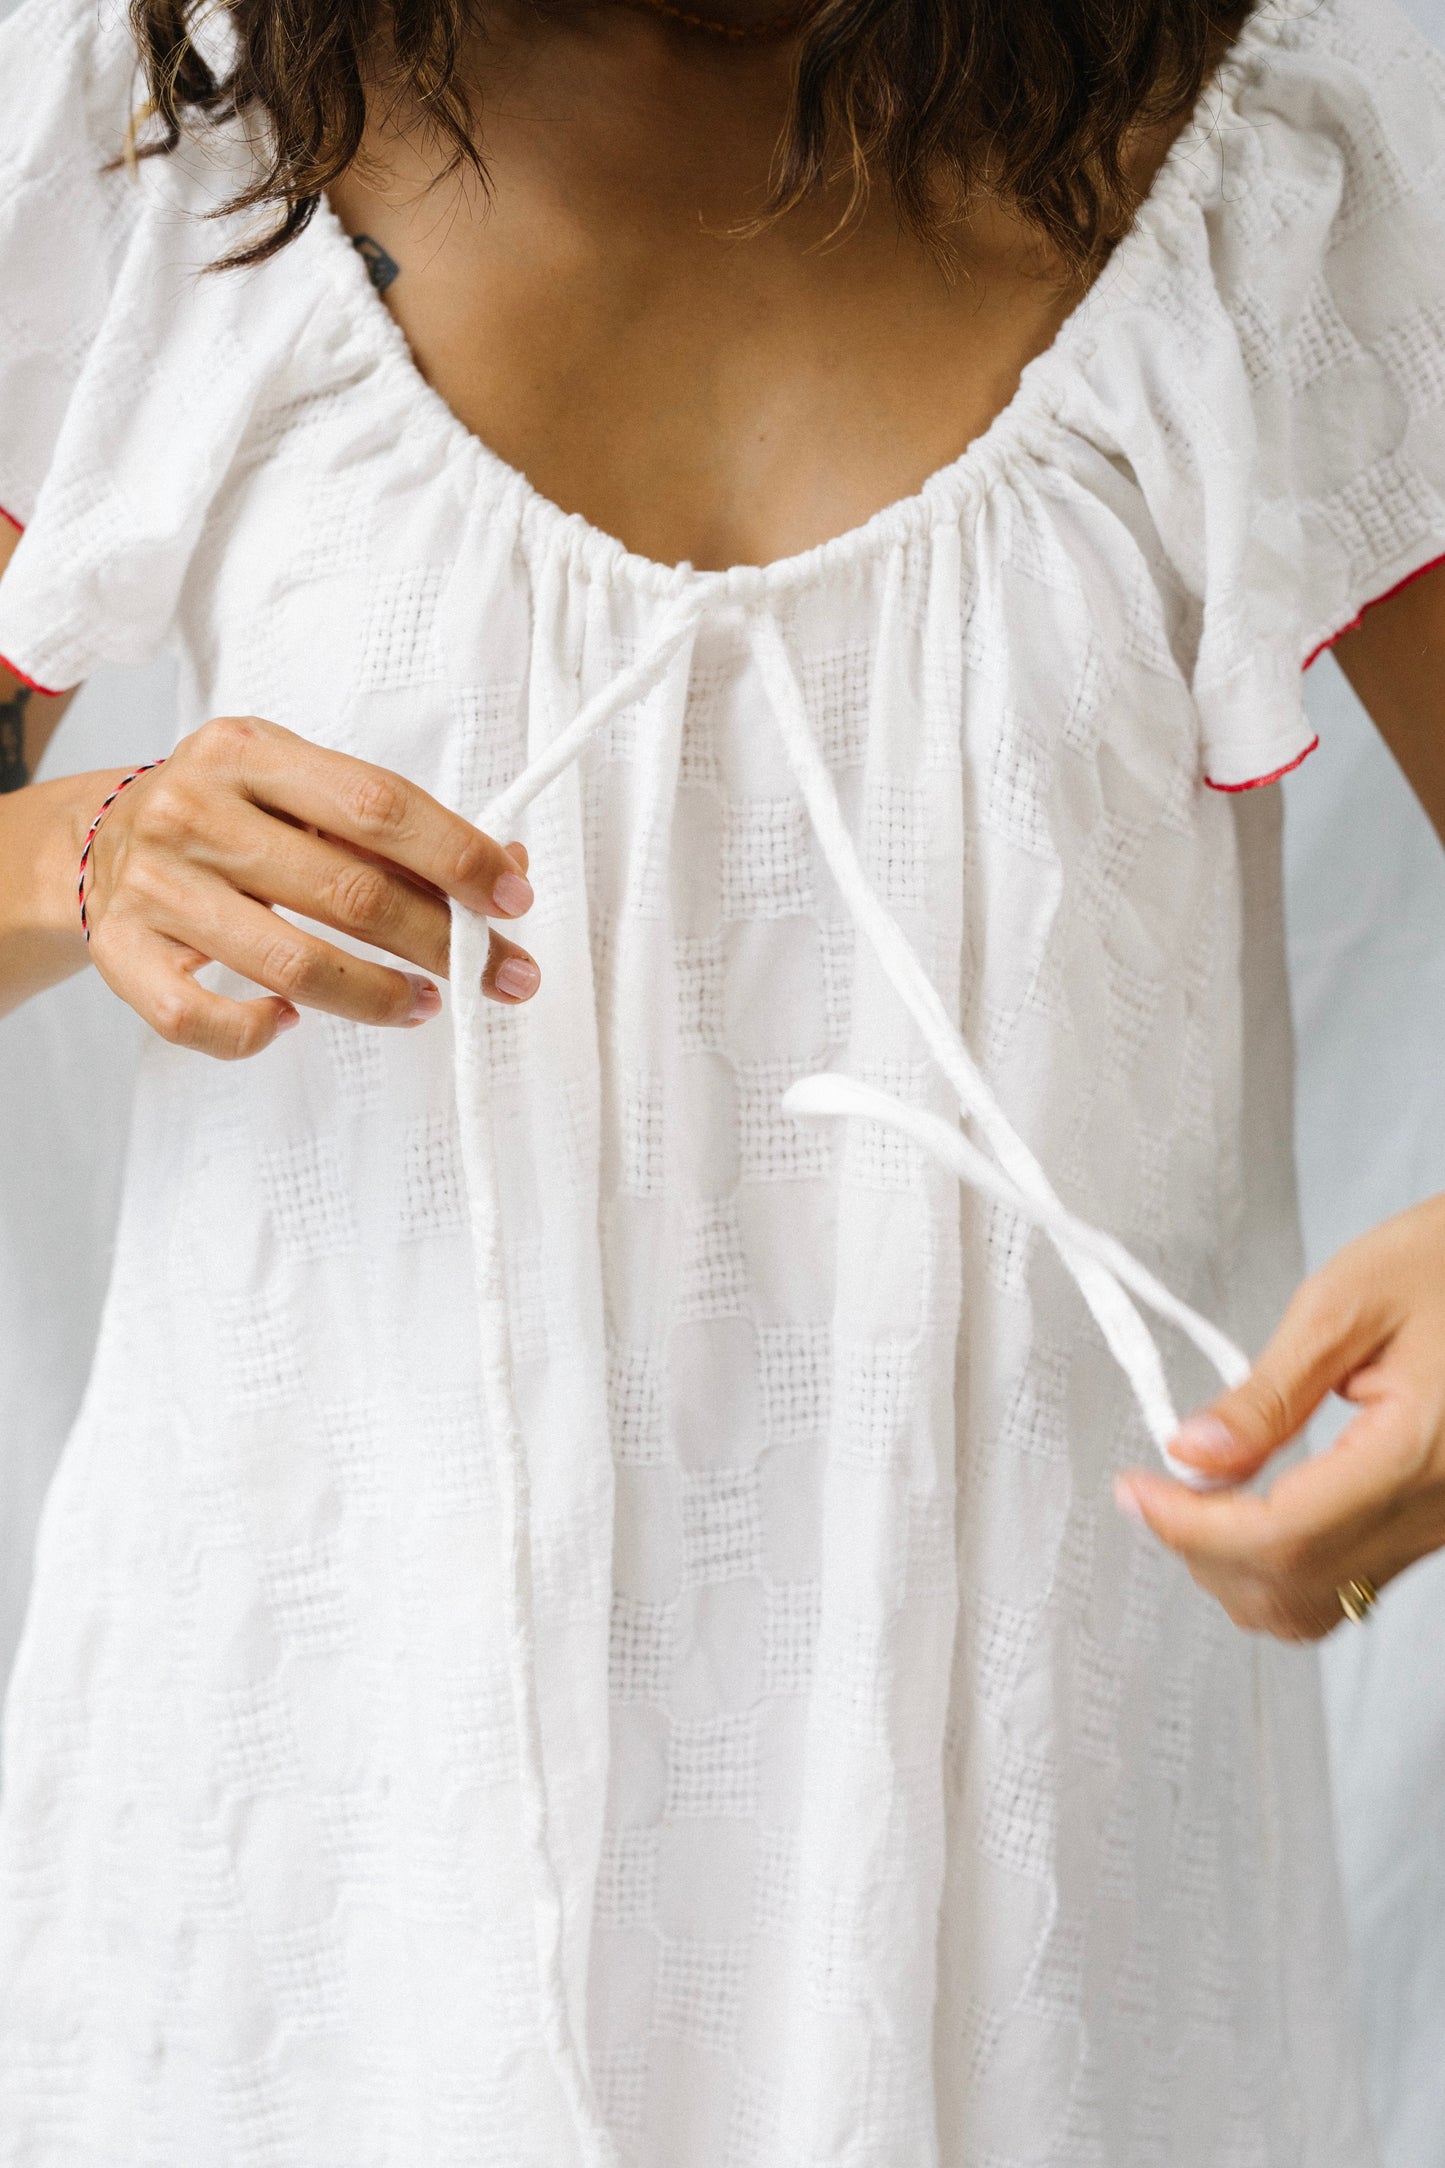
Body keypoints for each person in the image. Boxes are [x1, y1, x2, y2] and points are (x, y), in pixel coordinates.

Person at [0, 0, 1443, 2155]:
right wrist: (84, 847)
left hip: (1037, 1939)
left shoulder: (1264, 164)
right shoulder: (162, 123)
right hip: (318, 1896)